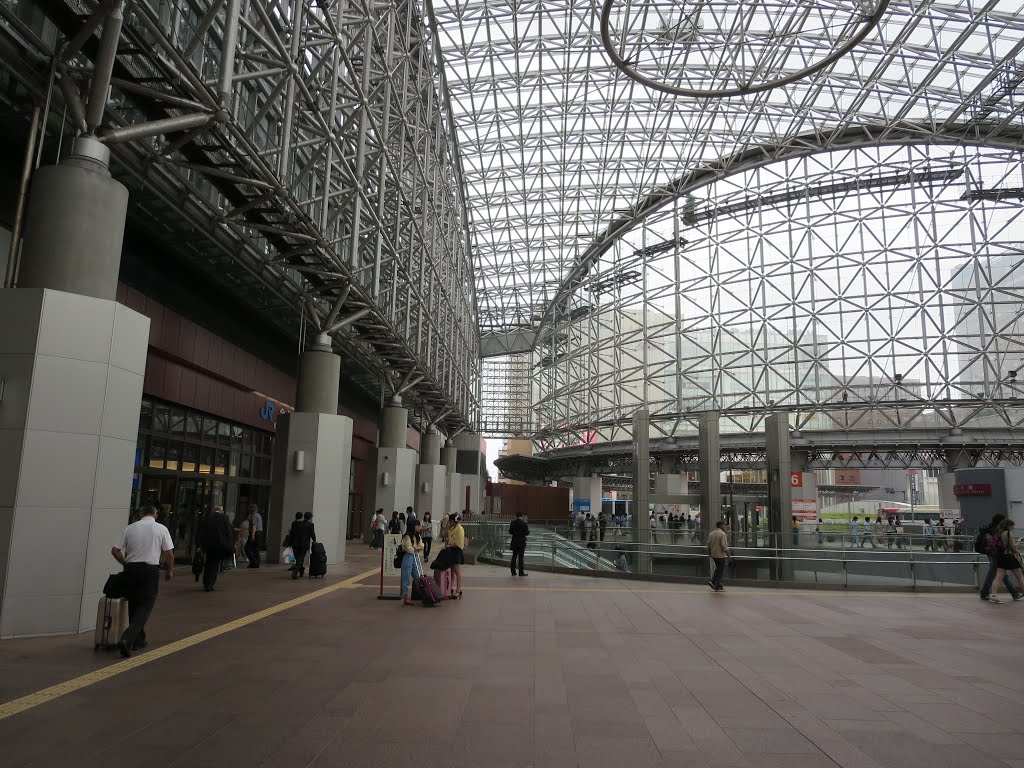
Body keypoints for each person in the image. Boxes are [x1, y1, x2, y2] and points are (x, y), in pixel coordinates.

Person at [110, 505, 174, 657]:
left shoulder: (130, 528)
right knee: (145, 605)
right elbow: (169, 554)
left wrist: (125, 563)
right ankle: (127, 639)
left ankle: (139, 639)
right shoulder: (161, 529)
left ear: (140, 514)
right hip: (150, 570)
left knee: (133, 602)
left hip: (131, 569)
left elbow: (115, 550)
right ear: (155, 514)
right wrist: (169, 570)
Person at [980, 513, 1022, 603]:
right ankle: (1016, 593)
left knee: (999, 576)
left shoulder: (996, 530)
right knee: (1018, 575)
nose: (1013, 528)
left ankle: (993, 595)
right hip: (1005, 556)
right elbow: (1012, 547)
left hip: (997, 555)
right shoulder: (1006, 532)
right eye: (1012, 526)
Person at [197, 505, 234, 592]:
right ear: (221, 511)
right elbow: (229, 532)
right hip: (219, 545)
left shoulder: (207, 519)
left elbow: (201, 532)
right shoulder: (224, 519)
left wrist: (200, 545)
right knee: (215, 565)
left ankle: (206, 582)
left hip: (208, 545)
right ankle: (210, 584)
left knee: (208, 563)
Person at [400, 519, 425, 605]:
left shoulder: (417, 536)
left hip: (415, 557)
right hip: (408, 557)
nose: (419, 527)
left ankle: (421, 593)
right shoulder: (407, 536)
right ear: (412, 526)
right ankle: (406, 596)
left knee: (418, 576)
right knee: (406, 576)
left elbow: (422, 545)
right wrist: (416, 548)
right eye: (417, 526)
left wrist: (416, 548)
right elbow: (409, 549)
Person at [289, 511, 316, 579]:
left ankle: (301, 571)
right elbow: (312, 534)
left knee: (298, 559)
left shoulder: (296, 523)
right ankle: (294, 573)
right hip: (304, 545)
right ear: (310, 517)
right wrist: (315, 540)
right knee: (300, 559)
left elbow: (292, 533)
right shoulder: (311, 524)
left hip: (295, 544)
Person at [707, 519, 732, 592]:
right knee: (720, 571)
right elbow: (724, 546)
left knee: (718, 569)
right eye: (724, 525)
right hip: (720, 555)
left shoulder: (711, 533)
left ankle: (713, 582)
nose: (725, 527)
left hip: (714, 555)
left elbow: (708, 545)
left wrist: (710, 554)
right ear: (721, 526)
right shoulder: (722, 534)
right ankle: (717, 586)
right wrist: (729, 556)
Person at [446, 513, 466, 598]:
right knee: (452, 572)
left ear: (452, 521)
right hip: (452, 551)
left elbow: (459, 543)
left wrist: (450, 545)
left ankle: (458, 590)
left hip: (456, 551)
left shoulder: (459, 529)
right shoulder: (453, 528)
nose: (449, 523)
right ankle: (451, 588)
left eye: (449, 521)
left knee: (457, 572)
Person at [509, 511, 529, 576]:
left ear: (516, 516)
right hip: (521, 542)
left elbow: (510, 532)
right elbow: (527, 533)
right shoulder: (524, 524)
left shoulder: (512, 523)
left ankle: (513, 572)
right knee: (521, 557)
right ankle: (521, 572)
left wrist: (515, 533)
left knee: (514, 557)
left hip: (514, 541)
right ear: (522, 516)